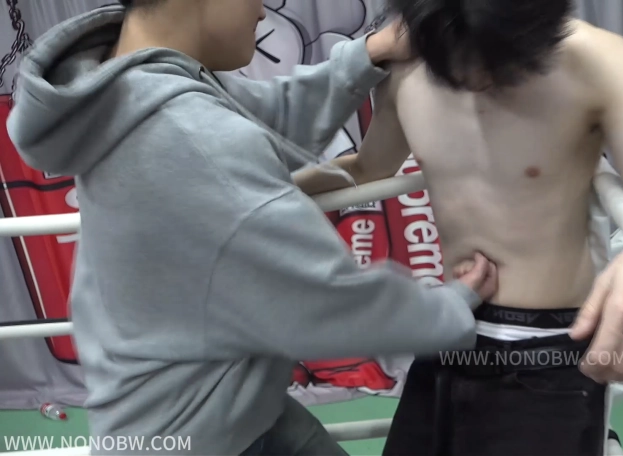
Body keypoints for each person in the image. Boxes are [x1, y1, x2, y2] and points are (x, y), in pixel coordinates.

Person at [6, 1, 500, 455]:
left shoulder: (133, 87)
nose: (262, 13)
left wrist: (368, 53)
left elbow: (267, 116)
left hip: (210, 407)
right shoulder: (189, 136)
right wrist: (451, 307)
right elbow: (325, 303)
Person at [293, 0, 623, 454]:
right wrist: (264, 186)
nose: (476, 76)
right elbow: (369, 167)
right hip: (450, 332)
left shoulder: (595, 60)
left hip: (549, 357)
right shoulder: (407, 69)